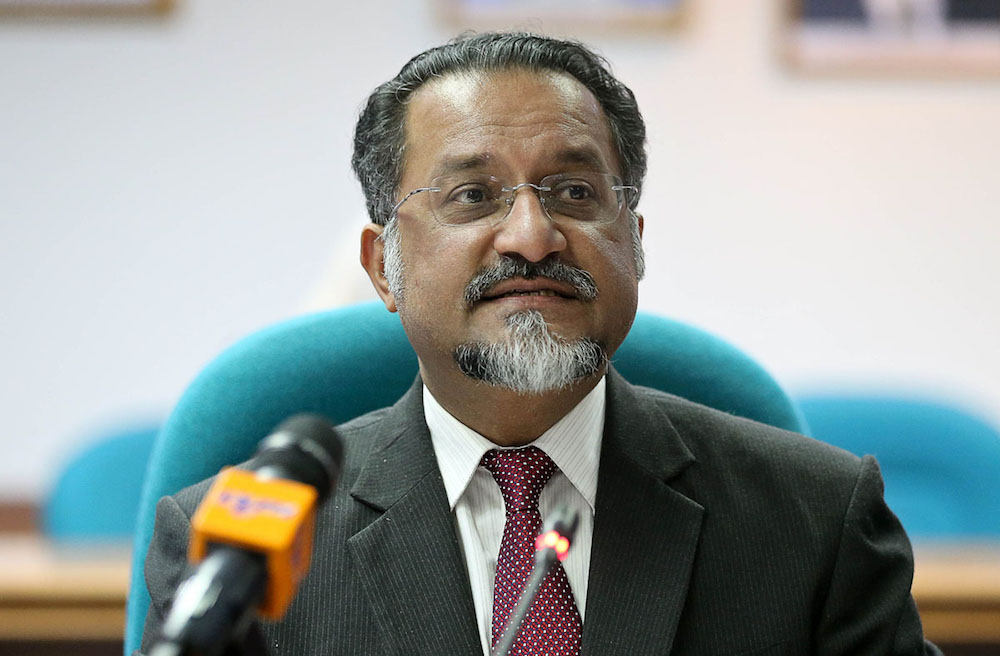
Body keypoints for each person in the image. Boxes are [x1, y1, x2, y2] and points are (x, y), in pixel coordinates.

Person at [139, 32, 941, 655]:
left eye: (575, 192)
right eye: (472, 195)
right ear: (384, 268)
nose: (530, 235)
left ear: (633, 240)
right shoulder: (237, 546)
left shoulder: (814, 520)